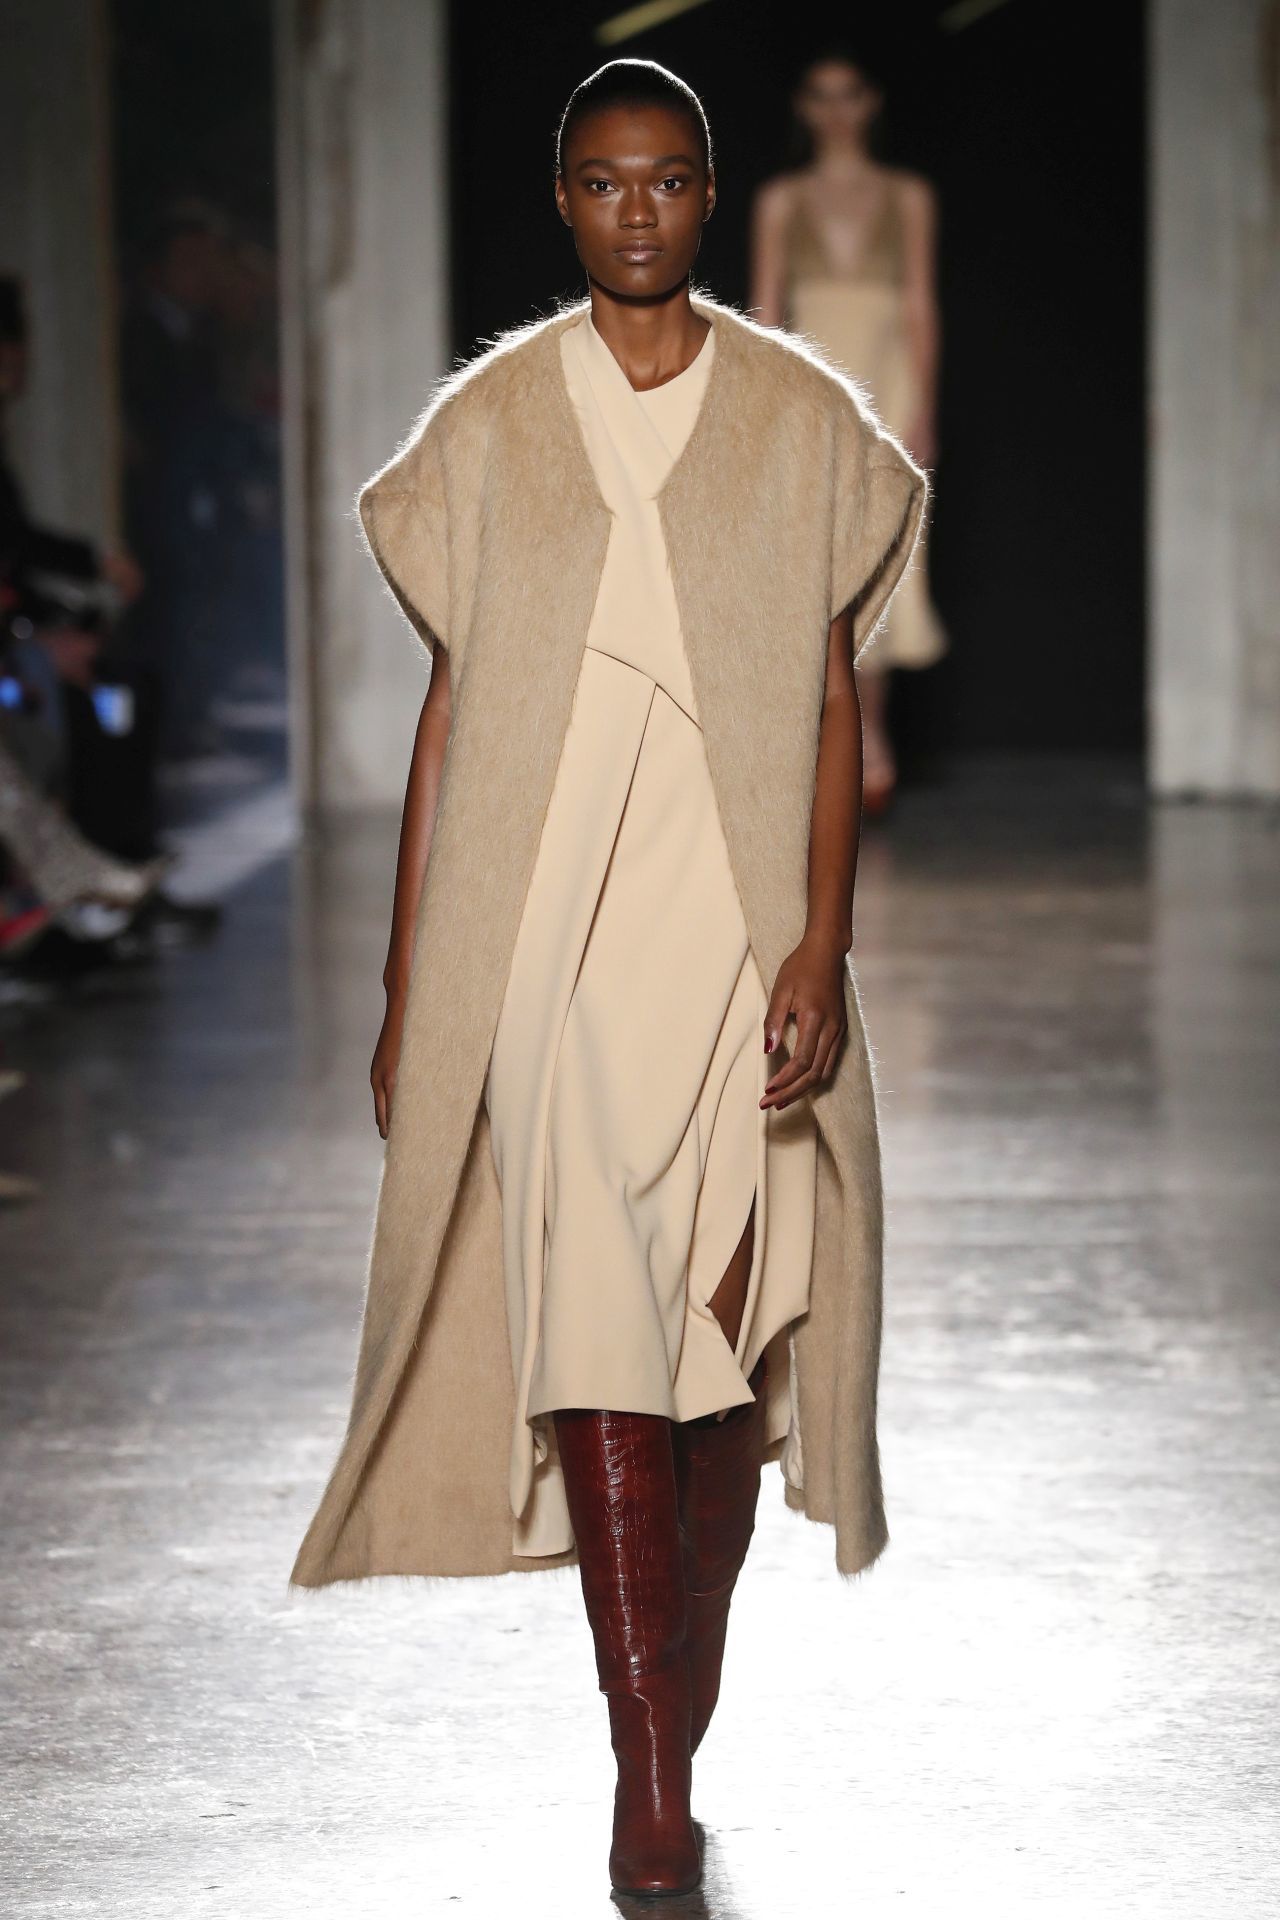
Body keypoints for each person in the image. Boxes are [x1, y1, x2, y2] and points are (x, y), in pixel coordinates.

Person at [290, 60, 926, 1898]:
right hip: (549, 934)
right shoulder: (494, 424)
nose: (634, 211)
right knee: (596, 1331)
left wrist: (823, 940)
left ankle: (676, 1731)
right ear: (561, 199)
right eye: (600, 181)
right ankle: (650, 1777)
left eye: (665, 181)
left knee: (714, 1347)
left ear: (710, 195)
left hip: (727, 930)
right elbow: (448, 718)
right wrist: (413, 986)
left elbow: (829, 698)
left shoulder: (799, 421)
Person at [751, 50, 946, 811]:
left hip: (887, 385)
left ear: (872, 102)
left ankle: (871, 736)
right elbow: (767, 314)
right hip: (812, 386)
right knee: (816, 561)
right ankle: (835, 742)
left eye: (850, 94)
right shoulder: (781, 199)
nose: (836, 110)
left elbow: (920, 301)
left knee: (889, 557)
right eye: (820, 95)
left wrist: (925, 407)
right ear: (802, 106)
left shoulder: (907, 195)